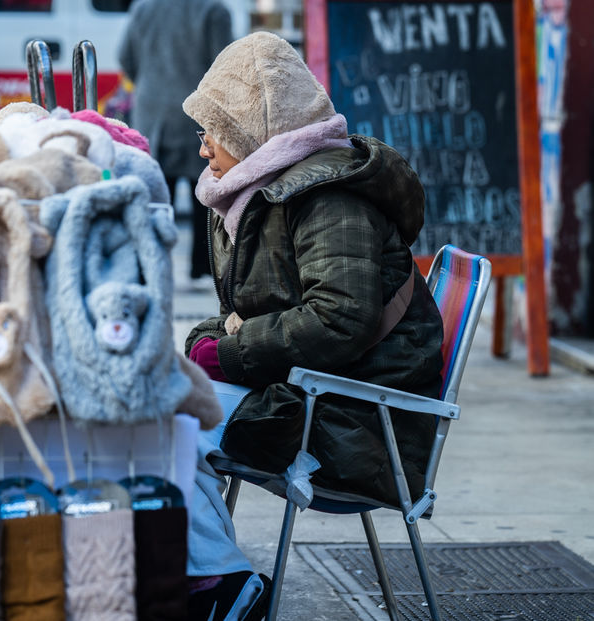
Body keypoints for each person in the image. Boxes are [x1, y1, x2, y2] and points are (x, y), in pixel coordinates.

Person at [181, 32, 445, 619]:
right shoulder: (267, 189)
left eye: (212, 130)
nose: (203, 149)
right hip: (318, 392)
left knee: (164, 429)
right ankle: (215, 579)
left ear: (250, 129)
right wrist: (208, 341)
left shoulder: (328, 198)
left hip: (359, 421)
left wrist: (227, 354)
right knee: (161, 412)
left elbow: (338, 318)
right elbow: (260, 309)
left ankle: (220, 585)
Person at [117, 0, 233, 284]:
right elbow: (225, 66)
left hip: (152, 113)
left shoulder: (143, 8)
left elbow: (125, 57)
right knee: (207, 193)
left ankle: (151, 265)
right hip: (197, 114)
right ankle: (203, 266)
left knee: (155, 195)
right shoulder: (213, 9)